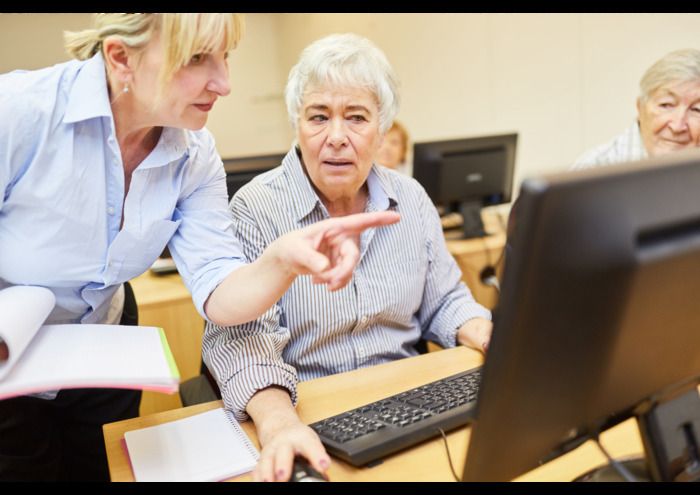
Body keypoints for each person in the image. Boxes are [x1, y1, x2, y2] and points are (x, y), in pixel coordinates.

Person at [0, 14, 398, 481]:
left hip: (102, 349)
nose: (224, 83)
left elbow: (221, 295)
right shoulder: (20, 112)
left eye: (224, 56)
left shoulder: (195, 154)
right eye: (197, 59)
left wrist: (281, 260)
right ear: (121, 57)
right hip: (11, 360)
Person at [202, 33, 493, 483]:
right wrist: (280, 425)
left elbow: (444, 298)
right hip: (311, 414)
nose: (336, 137)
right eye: (319, 117)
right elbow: (243, 342)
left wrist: (483, 330)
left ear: (382, 129)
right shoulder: (255, 209)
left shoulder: (410, 199)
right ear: (296, 123)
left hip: (412, 405)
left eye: (356, 117)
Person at [573, 48, 700, 169]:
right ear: (640, 108)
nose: (677, 127)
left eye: (696, 110)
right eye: (666, 105)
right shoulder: (595, 169)